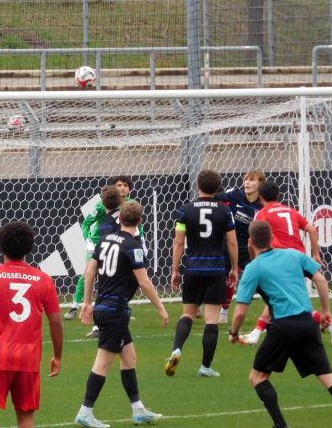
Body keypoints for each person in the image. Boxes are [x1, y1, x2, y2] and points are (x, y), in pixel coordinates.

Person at [228, 221, 332, 428]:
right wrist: (326, 311)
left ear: (250, 241)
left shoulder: (253, 268)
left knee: (258, 377)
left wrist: (234, 333)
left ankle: (281, 425)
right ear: (272, 238)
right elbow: (321, 280)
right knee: (328, 377)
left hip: (282, 327)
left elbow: (239, 312)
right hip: (308, 325)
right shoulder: (293, 254)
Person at [75, 201, 168, 428]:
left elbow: (89, 271)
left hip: (105, 307)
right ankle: (85, 412)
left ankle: (138, 409)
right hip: (115, 311)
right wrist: (160, 307)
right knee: (103, 363)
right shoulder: (133, 246)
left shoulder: (106, 239)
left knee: (129, 358)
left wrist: (87, 302)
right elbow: (144, 282)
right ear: (140, 221)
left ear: (119, 219)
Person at [0, 221, 63, 428]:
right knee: (26, 418)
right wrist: (57, 355)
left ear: (1, 246)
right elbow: (56, 322)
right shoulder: (44, 280)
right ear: (29, 247)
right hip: (28, 360)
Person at [239, 181, 332, 347]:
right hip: (299, 257)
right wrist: (315, 254)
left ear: (260, 196)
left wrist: (264, 257)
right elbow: (312, 230)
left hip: (282, 259)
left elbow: (261, 239)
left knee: (279, 296)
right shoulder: (290, 210)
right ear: (278, 195)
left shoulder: (262, 214)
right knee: (287, 298)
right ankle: (328, 323)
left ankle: (256, 333)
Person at [165, 169, 238, 378]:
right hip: (215, 269)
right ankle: (206, 366)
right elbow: (232, 241)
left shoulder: (185, 210)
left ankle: (177, 349)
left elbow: (179, 242)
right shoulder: (224, 211)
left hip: (193, 268)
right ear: (217, 188)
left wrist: (174, 270)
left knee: (188, 313)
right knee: (211, 319)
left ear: (198, 185)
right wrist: (233, 268)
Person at [66, 175, 136, 323]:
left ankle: (123, 305)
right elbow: (86, 223)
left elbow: (137, 226)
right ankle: (75, 306)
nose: (122, 187)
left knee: (123, 276)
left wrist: (138, 240)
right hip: (99, 243)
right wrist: (89, 240)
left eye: (125, 185)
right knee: (88, 273)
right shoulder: (102, 205)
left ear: (129, 188)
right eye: (119, 185)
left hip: (119, 245)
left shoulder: (132, 205)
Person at [217, 170, 266, 324]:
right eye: (246, 179)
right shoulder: (234, 195)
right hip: (228, 245)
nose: (247, 182)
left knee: (262, 280)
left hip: (248, 250)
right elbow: (214, 198)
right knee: (218, 278)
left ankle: (275, 307)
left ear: (261, 185)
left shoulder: (262, 206)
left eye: (252, 180)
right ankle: (221, 310)